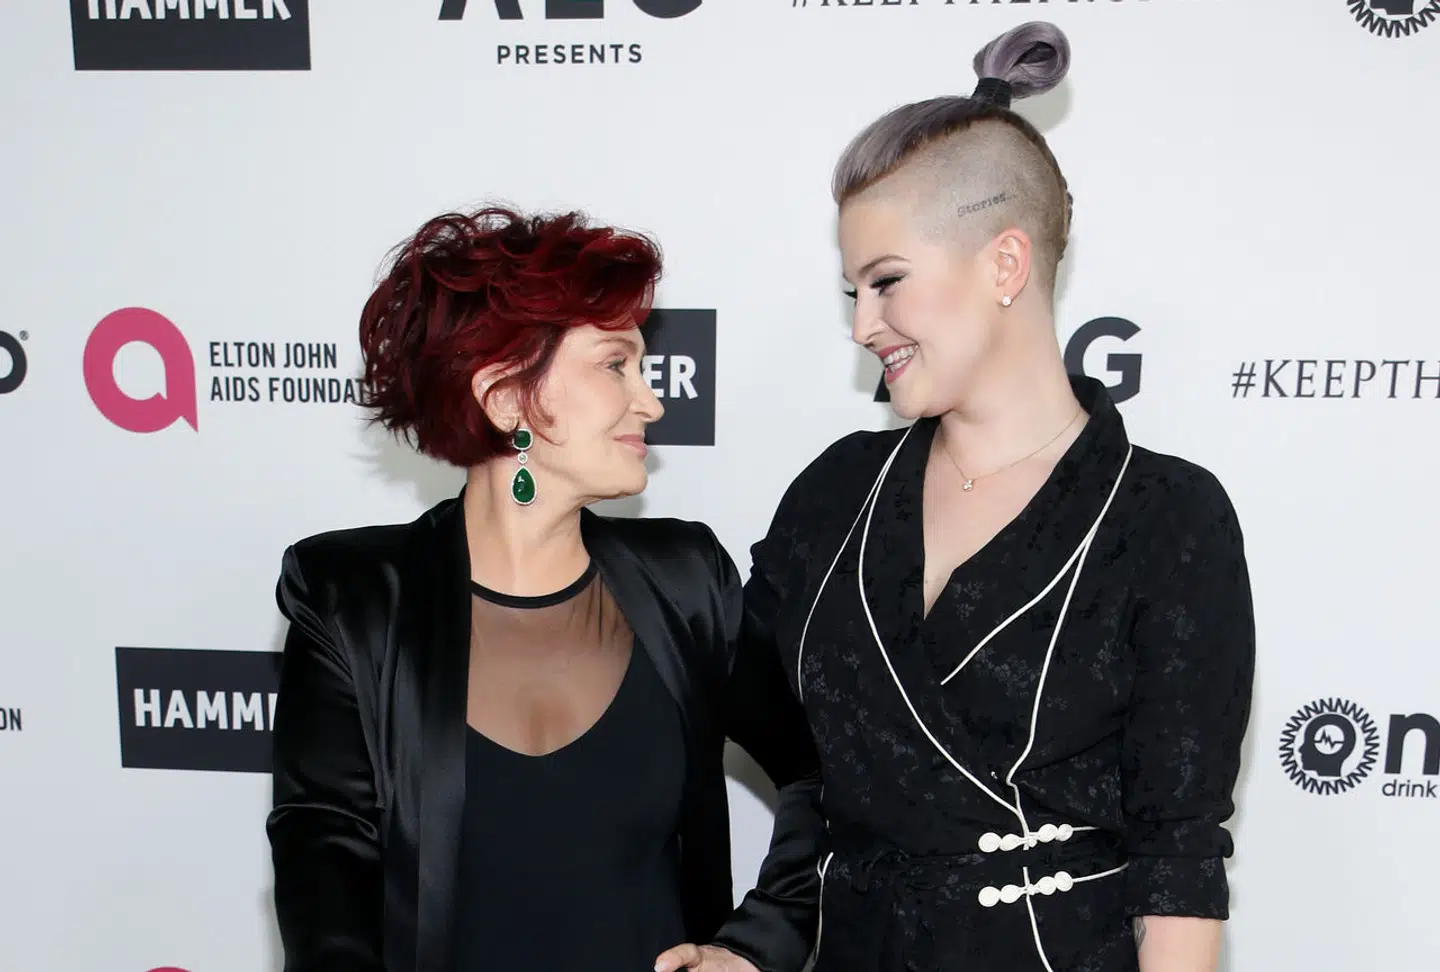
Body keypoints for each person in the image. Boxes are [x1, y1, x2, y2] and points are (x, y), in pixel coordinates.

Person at [731, 20, 1254, 972]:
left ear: (1005, 265)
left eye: (887, 283)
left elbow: (1179, 867)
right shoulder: (836, 493)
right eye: (852, 292)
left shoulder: (1165, 516)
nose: (864, 325)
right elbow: (783, 747)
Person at [264, 206, 822, 972]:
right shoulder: (352, 604)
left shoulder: (687, 583)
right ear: (506, 397)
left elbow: (826, 771)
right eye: (615, 365)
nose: (652, 401)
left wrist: (759, 946)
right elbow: (323, 877)